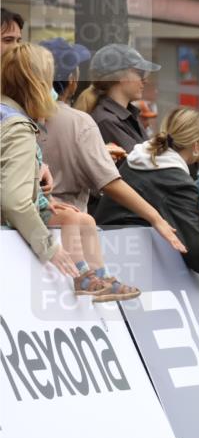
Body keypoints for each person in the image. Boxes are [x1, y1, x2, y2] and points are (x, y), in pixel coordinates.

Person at [1, 43, 141, 301]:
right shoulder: (18, 127)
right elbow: (14, 201)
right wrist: (49, 248)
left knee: (82, 219)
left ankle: (99, 274)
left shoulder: (8, 117)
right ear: (39, 82)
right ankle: (84, 275)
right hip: (13, 225)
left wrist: (37, 179)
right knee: (75, 218)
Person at [38, 37, 186, 252]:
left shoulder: (29, 115)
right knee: (91, 283)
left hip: (42, 228)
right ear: (71, 79)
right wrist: (156, 217)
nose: (145, 79)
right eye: (138, 72)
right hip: (73, 232)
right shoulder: (87, 120)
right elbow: (112, 180)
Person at [97, 107, 199, 283]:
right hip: (134, 263)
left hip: (108, 249)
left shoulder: (141, 157)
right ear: (196, 146)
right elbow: (193, 246)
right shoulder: (179, 182)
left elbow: (167, 212)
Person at [75, 44, 161, 154]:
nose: (145, 80)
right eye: (140, 73)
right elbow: (141, 164)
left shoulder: (126, 116)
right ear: (120, 76)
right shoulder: (106, 120)